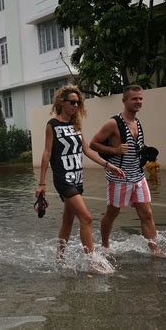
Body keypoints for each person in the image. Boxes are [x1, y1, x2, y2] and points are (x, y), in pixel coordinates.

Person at [35, 85, 125, 261]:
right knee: (87, 218)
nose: (76, 105)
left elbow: (87, 150)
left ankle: (59, 258)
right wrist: (41, 183)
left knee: (68, 220)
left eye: (78, 102)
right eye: (72, 102)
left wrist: (108, 165)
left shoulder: (75, 125)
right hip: (63, 179)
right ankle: (92, 261)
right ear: (62, 102)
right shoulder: (52, 125)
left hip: (77, 178)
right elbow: (46, 154)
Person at [90, 84, 161, 254]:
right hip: (118, 177)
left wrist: (146, 151)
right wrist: (114, 150)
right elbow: (93, 144)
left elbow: (136, 146)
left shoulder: (137, 122)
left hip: (138, 176)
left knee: (147, 214)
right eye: (134, 98)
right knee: (112, 213)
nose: (138, 102)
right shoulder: (113, 123)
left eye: (140, 98)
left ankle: (155, 250)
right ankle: (105, 246)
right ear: (124, 101)